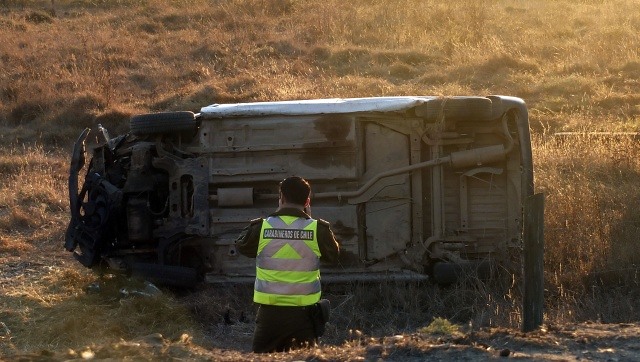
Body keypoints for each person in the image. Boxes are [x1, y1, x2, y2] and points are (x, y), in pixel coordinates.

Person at [235, 176, 340, 353]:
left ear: (281, 197)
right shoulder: (317, 230)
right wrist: (309, 221)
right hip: (305, 319)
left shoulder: (261, 228)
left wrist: (274, 216)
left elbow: (241, 246)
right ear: (307, 200)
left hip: (269, 319)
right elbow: (333, 256)